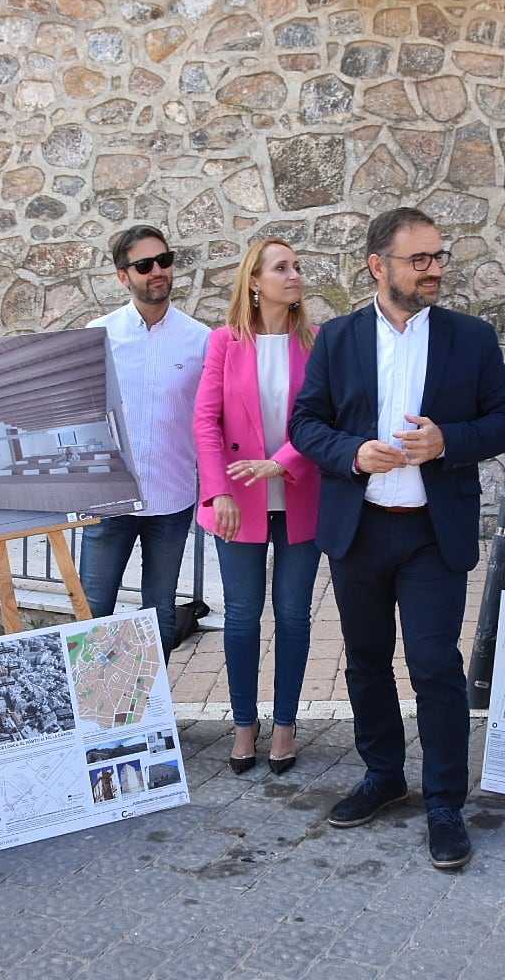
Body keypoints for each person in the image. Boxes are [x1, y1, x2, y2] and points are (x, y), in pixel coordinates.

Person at [290, 207, 505, 870]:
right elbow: (306, 424)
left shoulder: (469, 338)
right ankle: (383, 775)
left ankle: (445, 801)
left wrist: (449, 440)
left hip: (431, 532)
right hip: (359, 529)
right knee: (365, 662)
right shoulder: (336, 339)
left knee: (433, 666)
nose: (435, 269)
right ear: (378, 266)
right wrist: (351, 453)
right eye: (420, 259)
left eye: (439, 257)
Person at [193, 238, 322, 776]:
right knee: (243, 616)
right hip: (237, 503)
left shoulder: (316, 343)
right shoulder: (225, 342)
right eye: (281, 268)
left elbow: (326, 419)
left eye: (296, 266)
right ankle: (244, 723)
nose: (294, 275)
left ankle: (286, 725)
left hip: (300, 495)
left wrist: (283, 461)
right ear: (254, 281)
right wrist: (219, 489)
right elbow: (205, 421)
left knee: (293, 615)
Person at [82, 225, 209, 658]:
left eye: (165, 260)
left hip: (172, 499)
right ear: (123, 276)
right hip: (109, 500)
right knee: (93, 613)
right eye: (144, 264)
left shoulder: (201, 340)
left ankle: (152, 718)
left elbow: (209, 418)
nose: (158, 271)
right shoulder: (96, 335)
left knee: (160, 614)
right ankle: (95, 722)